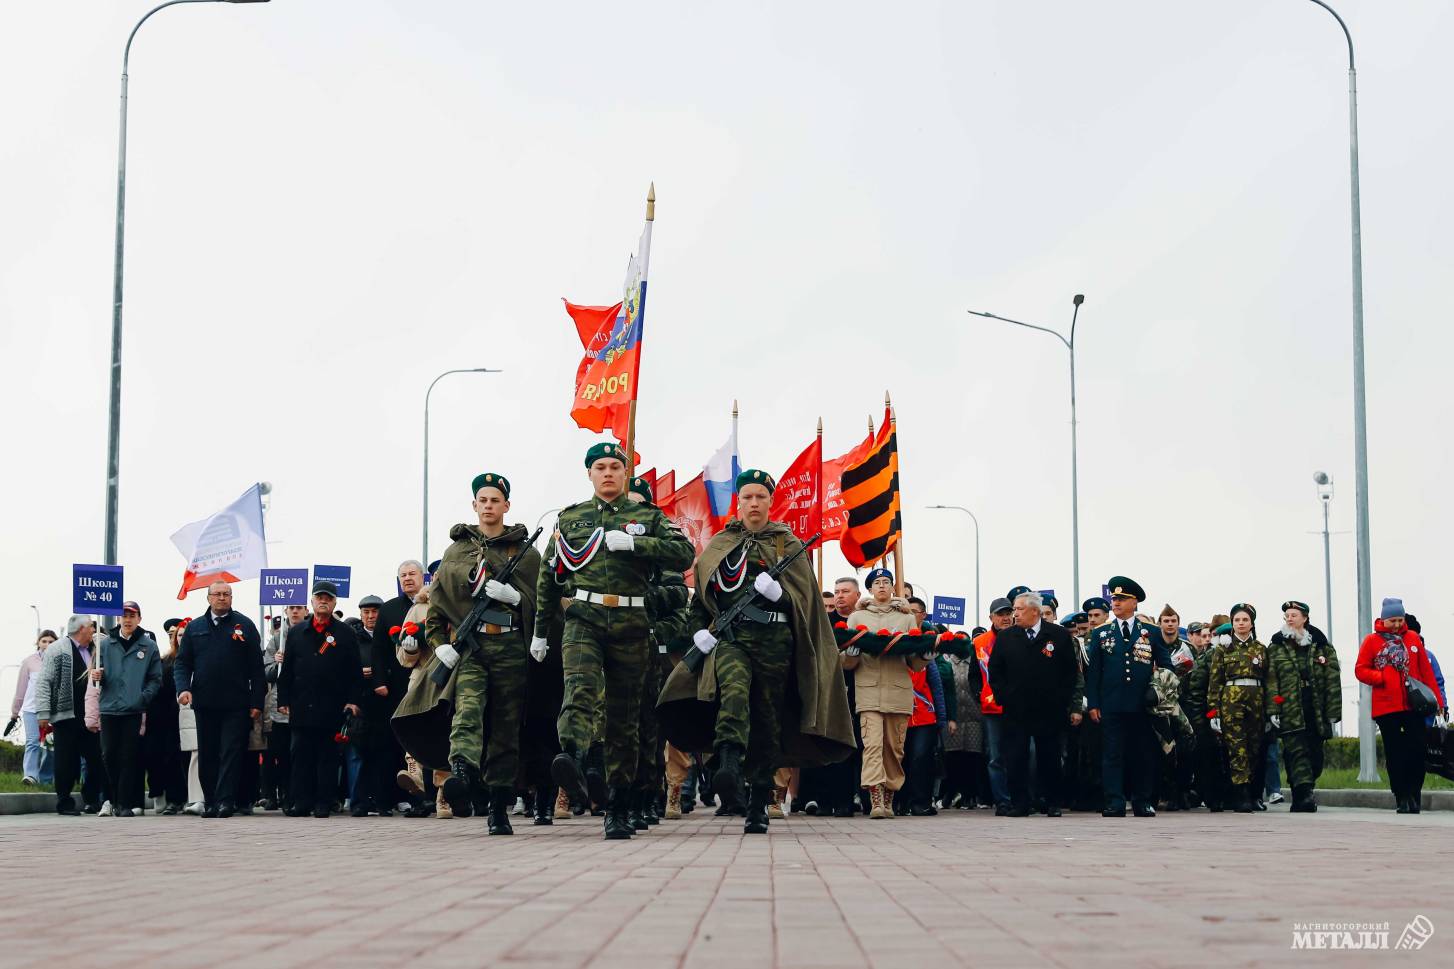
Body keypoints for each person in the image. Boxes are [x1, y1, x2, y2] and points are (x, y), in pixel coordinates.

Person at [667, 469, 854, 834]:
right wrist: (697, 636)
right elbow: (704, 599)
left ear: (770, 502)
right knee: (733, 693)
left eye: (760, 497)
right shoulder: (721, 544)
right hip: (730, 638)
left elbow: (806, 602)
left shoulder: (786, 544)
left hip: (774, 639)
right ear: (739, 501)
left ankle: (757, 803)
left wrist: (780, 595)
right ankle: (729, 765)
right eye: (748, 497)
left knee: (768, 717)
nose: (754, 503)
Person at [532, 442, 694, 840]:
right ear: (589, 474)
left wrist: (637, 544)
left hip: (632, 619)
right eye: (600, 467)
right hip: (584, 617)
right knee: (580, 690)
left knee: (624, 717)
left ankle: (619, 806)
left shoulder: (648, 516)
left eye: (614, 467)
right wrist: (539, 631)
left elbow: (684, 554)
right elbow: (548, 577)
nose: (607, 473)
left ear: (625, 474)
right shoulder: (570, 519)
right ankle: (573, 757)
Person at [428, 472, 540, 835]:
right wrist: (440, 645)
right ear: (474, 505)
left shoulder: (524, 552)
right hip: (472, 647)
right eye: (483, 500)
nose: (489, 506)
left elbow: (545, 602)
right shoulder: (457, 551)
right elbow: (437, 607)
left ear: (506, 506)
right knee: (468, 710)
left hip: (509, 644)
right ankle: (461, 773)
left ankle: (498, 805)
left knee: (505, 727)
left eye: (496, 500)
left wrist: (518, 599)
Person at [174, 580, 265, 818]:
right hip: (205, 703)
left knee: (231, 752)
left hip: (237, 704)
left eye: (227, 594)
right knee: (208, 753)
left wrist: (257, 702)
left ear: (232, 598)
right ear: (208, 598)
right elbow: (182, 663)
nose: (222, 598)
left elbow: (257, 668)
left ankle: (226, 801)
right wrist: (183, 689)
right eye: (217, 594)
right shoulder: (195, 628)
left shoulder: (244, 625)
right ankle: (211, 801)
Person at [1085, 577, 1172, 818]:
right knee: (1112, 754)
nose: (1116, 603)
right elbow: (1093, 673)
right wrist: (1093, 703)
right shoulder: (1102, 633)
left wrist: (1159, 693)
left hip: (1142, 704)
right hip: (1111, 703)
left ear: (1134, 602)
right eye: (1114, 598)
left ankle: (1142, 801)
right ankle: (1114, 801)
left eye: (1121, 599)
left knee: (1142, 754)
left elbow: (1166, 668)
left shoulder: (1152, 632)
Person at [277, 581, 364, 818]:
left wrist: (353, 701)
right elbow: (287, 671)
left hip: (332, 706)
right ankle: (301, 802)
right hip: (301, 705)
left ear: (334, 602)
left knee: (327, 757)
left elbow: (355, 673)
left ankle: (323, 802)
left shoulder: (345, 633)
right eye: (319, 597)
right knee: (300, 755)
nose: (323, 601)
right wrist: (283, 699)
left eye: (328, 598)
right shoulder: (296, 632)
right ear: (312, 602)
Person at [842, 568, 924, 819]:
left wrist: (925, 656)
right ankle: (876, 798)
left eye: (886, 582)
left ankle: (889, 796)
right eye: (876, 582)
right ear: (869, 589)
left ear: (892, 587)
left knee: (894, 748)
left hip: (898, 691)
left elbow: (914, 662)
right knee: (872, 745)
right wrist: (850, 656)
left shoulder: (906, 619)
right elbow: (844, 661)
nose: (881, 586)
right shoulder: (857, 618)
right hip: (868, 691)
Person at [988, 591, 1078, 817]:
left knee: (1049, 756)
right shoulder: (1007, 637)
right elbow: (995, 672)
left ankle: (1052, 802)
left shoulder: (1058, 635)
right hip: (1016, 709)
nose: (1014, 614)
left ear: (1035, 611)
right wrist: (1004, 697)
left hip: (1049, 709)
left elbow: (1070, 673)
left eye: (1018, 609)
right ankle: (1020, 803)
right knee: (1016, 757)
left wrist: (1062, 701)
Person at [1355, 597, 1446, 813]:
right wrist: (1381, 677)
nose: (1397, 625)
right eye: (1392, 620)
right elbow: (1360, 669)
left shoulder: (1413, 638)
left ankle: (1415, 794)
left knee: (1417, 750)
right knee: (1395, 753)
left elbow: (1426, 672)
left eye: (1400, 620)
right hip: (1387, 708)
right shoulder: (1372, 641)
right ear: (1383, 620)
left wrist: (1438, 702)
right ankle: (1401, 796)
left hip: (1414, 705)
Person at [1265, 601, 1341, 812]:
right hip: (1289, 706)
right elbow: (1271, 680)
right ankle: (1303, 795)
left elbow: (1332, 678)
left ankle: (1306, 787)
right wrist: (1273, 709)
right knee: (1296, 751)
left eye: (1294, 615)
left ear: (1305, 618)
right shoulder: (1276, 646)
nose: (1289, 618)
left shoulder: (1321, 645)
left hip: (1314, 705)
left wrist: (1334, 711)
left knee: (1315, 755)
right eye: (1287, 615)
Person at [798, 575, 863, 818]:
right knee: (827, 747)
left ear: (857, 595)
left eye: (845, 591)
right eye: (836, 591)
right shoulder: (824, 622)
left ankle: (846, 801)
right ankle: (824, 801)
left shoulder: (862, 624)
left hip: (858, 694)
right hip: (828, 692)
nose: (839, 596)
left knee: (850, 751)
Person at [1206, 603, 1280, 813]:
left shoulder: (1260, 649)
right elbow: (1215, 682)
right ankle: (1242, 794)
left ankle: (1254, 792)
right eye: (1237, 620)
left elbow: (1270, 681)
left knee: (1254, 748)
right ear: (1232, 623)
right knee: (1236, 747)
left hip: (1256, 701)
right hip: (1231, 701)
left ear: (1252, 623)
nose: (1241, 624)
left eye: (1245, 620)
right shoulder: (1223, 649)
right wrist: (1214, 712)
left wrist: (1273, 709)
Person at [92, 601, 163, 817]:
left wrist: (143, 698)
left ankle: (123, 803)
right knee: (109, 755)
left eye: (132, 615)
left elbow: (155, 678)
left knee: (128, 757)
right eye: (124, 615)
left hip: (132, 709)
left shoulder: (147, 645)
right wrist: (97, 677)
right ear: (118, 619)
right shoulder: (105, 644)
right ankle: (112, 799)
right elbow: (97, 672)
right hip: (109, 708)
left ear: (139, 619)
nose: (128, 619)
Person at [35, 616, 107, 814]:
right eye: (91, 626)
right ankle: (64, 802)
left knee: (96, 759)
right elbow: (44, 681)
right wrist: (43, 713)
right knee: (65, 760)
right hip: (65, 715)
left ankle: (91, 799)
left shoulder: (96, 648)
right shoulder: (57, 649)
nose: (94, 629)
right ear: (82, 629)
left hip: (90, 714)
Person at [376, 561, 430, 817]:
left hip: (432, 681)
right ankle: (402, 798)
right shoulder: (388, 610)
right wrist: (379, 681)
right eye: (403, 575)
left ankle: (431, 797)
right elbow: (379, 649)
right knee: (399, 743)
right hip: (398, 686)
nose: (407, 579)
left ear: (423, 576)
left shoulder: (435, 603)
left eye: (412, 574)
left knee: (428, 738)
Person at [972, 598, 1014, 814]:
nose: (1005, 617)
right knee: (995, 757)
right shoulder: (979, 642)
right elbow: (973, 676)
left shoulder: (1022, 637)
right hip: (992, 709)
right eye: (1000, 614)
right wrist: (980, 694)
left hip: (1019, 708)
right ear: (991, 618)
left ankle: (1025, 798)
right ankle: (1003, 801)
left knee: (1025, 754)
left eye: (1008, 613)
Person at [142, 619, 188, 814]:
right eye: (177, 635)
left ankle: (185, 797)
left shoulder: (197, 658)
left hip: (190, 715)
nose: (179, 638)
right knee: (166, 757)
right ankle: (170, 797)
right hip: (166, 718)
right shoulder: (165, 661)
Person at [11, 629, 57, 787]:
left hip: (52, 711)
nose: (47, 644)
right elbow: (21, 688)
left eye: (51, 641)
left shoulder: (59, 660)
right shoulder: (29, 662)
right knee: (32, 741)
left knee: (50, 744)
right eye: (44, 641)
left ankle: (45, 778)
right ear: (38, 643)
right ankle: (30, 775)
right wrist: (15, 711)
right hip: (31, 709)